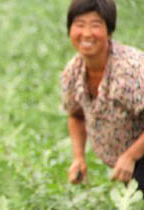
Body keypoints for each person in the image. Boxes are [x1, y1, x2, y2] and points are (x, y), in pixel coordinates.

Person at [62, 0, 144, 190]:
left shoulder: (131, 70)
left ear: (109, 31)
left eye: (95, 25)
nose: (87, 33)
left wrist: (130, 155)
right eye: (79, 25)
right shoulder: (73, 72)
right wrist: (79, 157)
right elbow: (76, 115)